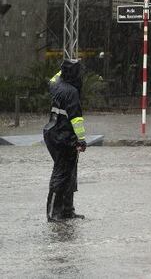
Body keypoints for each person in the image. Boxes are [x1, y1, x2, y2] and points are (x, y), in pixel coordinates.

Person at [43, 59, 87, 222]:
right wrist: (81, 140)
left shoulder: (55, 84)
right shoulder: (72, 92)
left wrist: (64, 69)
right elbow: (76, 120)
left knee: (69, 173)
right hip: (64, 137)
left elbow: (54, 77)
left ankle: (67, 211)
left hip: (52, 133)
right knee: (62, 174)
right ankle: (54, 213)